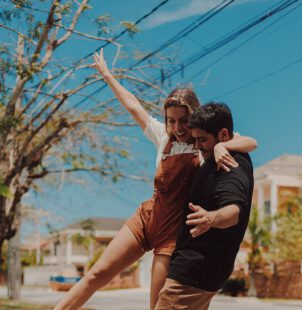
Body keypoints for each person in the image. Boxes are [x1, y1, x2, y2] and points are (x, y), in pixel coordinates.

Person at [53, 50, 257, 310]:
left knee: (158, 305)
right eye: (171, 121)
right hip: (148, 217)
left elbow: (251, 142)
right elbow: (133, 105)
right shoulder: (163, 136)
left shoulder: (203, 142)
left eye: (183, 120)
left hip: (173, 233)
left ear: (193, 117)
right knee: (96, 274)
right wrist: (107, 75)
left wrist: (220, 148)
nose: (178, 127)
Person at [155, 102, 254, 310]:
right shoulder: (219, 153)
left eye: (202, 140)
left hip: (195, 271)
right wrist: (218, 146)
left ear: (224, 134)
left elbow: (234, 210)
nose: (197, 146)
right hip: (199, 270)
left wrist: (211, 218)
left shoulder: (231, 166)